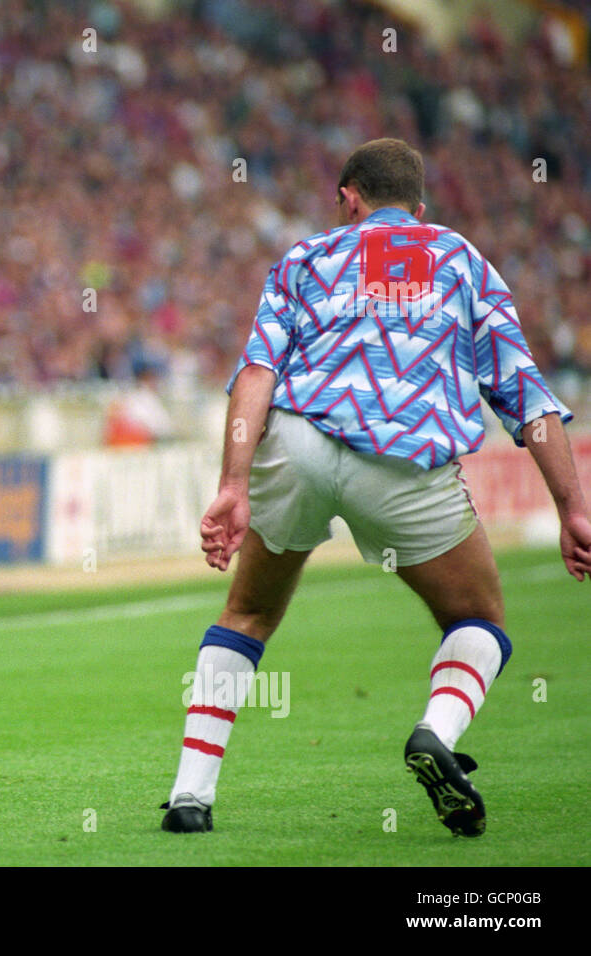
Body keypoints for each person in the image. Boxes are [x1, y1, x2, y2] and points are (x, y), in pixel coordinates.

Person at [161, 138, 591, 836]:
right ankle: (436, 734)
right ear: (418, 210)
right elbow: (525, 394)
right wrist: (572, 507)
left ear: (347, 199)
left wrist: (232, 484)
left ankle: (190, 797)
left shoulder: (305, 258)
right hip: (402, 460)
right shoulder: (462, 262)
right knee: (477, 620)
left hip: (297, 442)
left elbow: (256, 375)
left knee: (247, 614)